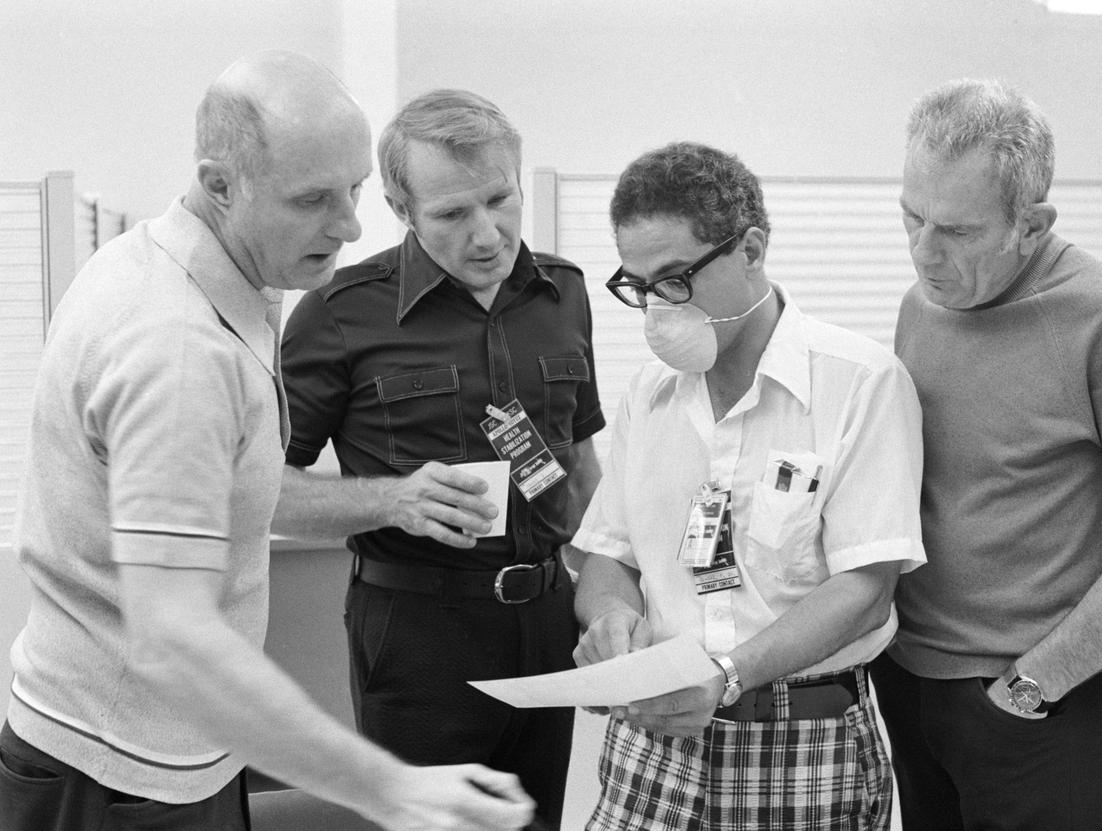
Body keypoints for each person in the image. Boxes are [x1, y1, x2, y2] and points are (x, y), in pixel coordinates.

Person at [0, 51, 534, 831]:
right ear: (220, 184)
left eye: (353, 192)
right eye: (314, 199)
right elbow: (172, 638)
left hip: (176, 744)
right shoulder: (176, 345)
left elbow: (237, 487)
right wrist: (389, 787)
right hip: (116, 766)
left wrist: (392, 497)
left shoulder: (219, 278)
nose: (350, 226)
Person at [868, 78, 1102, 831]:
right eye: (911, 216)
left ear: (1032, 222)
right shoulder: (919, 304)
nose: (925, 252)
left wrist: (1031, 687)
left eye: (956, 230)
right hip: (908, 681)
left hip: (1032, 703)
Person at [570, 141, 926, 830]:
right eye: (638, 286)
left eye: (675, 279)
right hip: (655, 746)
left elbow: (864, 588)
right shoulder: (651, 394)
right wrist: (610, 620)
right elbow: (608, 556)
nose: (656, 309)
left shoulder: (860, 383)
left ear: (751, 248)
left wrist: (727, 675)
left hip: (802, 745)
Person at [276, 88, 604, 830]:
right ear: (399, 207)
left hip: (548, 618)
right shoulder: (337, 313)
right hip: (419, 632)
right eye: (453, 214)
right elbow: (256, 492)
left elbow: (581, 468)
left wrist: (612, 590)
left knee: (535, 821)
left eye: (500, 198)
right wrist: (390, 500)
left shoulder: (565, 294)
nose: (487, 234)